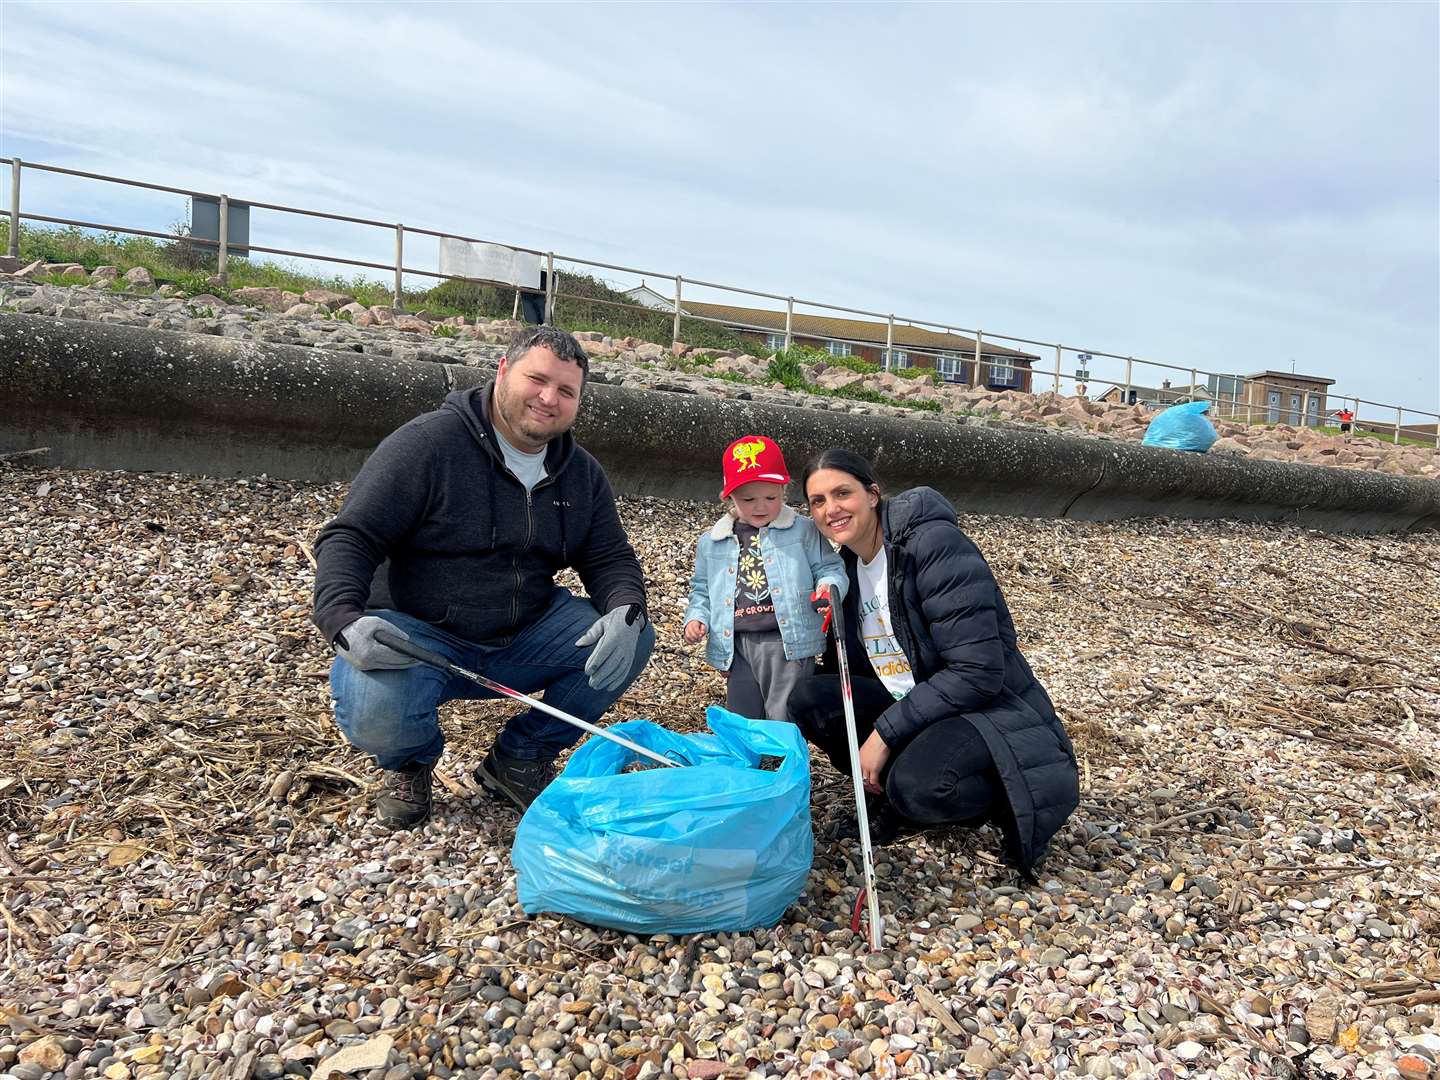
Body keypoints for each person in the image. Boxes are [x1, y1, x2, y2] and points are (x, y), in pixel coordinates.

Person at [312, 326, 655, 828]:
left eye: (566, 391)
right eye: (536, 379)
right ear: (501, 371)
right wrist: (342, 619)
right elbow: (350, 537)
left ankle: (519, 757)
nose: (548, 398)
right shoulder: (427, 445)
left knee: (633, 636)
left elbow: (608, 557)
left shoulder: (581, 473)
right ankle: (409, 761)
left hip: (525, 633)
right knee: (372, 702)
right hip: (419, 639)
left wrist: (627, 606)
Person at [792, 449, 1079, 877]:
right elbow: (845, 671)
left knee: (919, 790)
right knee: (811, 697)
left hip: (985, 710)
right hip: (915, 702)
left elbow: (978, 671)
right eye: (818, 501)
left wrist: (883, 736)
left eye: (842, 493)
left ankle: (998, 792)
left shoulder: (931, 546)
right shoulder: (846, 566)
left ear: (872, 494)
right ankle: (887, 791)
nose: (831, 509)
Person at [682, 435, 848, 722]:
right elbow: (701, 590)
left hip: (787, 641)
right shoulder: (713, 542)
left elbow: (830, 568)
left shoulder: (803, 531)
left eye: (771, 497)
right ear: (728, 497)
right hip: (736, 643)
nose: (761, 507)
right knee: (741, 713)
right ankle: (746, 764)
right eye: (748, 499)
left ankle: (782, 763)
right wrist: (696, 617)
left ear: (784, 490)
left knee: (784, 712)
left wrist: (827, 589)